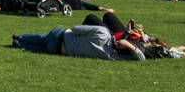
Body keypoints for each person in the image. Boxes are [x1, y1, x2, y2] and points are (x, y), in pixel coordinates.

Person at [11, 22, 147, 60]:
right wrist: (131, 47)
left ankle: (21, 38)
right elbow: (141, 59)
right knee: (41, 48)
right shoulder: (112, 56)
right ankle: (21, 44)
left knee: (43, 38)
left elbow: (76, 28)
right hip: (60, 51)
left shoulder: (103, 32)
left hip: (61, 36)